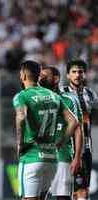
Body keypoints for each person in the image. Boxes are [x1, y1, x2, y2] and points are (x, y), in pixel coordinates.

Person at [13, 60, 78, 200]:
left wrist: (20, 143)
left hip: (31, 157)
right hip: (51, 159)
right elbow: (73, 122)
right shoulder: (53, 96)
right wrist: (60, 143)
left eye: (20, 73)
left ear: (24, 75)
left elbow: (21, 117)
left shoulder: (22, 96)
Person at [39, 66, 83, 200]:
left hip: (62, 157)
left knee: (62, 197)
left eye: (45, 75)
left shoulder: (69, 99)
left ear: (56, 79)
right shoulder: (37, 99)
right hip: (40, 158)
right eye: (40, 75)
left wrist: (77, 157)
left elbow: (77, 129)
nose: (41, 78)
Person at [61, 59, 98, 200]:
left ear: (85, 75)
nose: (77, 75)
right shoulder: (61, 93)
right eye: (74, 72)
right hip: (65, 148)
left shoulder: (91, 95)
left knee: (83, 190)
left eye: (80, 72)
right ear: (68, 75)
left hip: (85, 147)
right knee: (65, 190)